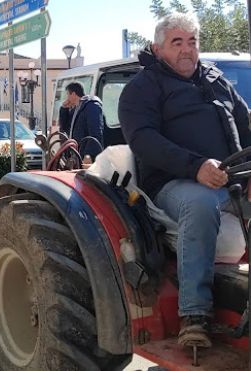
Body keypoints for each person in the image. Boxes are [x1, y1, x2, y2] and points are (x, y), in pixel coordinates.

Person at [119, 13, 251, 349]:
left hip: (231, 178)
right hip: (173, 184)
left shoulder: (216, 78)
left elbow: (245, 124)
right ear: (158, 48)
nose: (186, 50)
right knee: (200, 202)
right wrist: (195, 167)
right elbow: (144, 140)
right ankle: (195, 315)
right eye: (177, 42)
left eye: (192, 42)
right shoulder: (142, 88)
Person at [64, 82, 104, 159]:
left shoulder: (91, 106)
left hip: (86, 155)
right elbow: (65, 126)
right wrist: (64, 108)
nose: (67, 98)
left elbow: (95, 133)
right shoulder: (76, 109)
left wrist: (88, 154)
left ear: (73, 94)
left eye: (68, 94)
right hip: (77, 153)